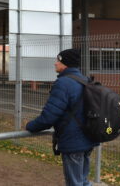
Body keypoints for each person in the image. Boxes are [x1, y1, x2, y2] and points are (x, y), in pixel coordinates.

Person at [25, 48, 99, 186]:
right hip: (88, 137)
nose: (55, 64)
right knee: (83, 181)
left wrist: (30, 126)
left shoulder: (64, 83)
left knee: (75, 183)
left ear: (66, 64)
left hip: (73, 141)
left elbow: (49, 116)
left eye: (57, 61)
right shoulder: (85, 80)